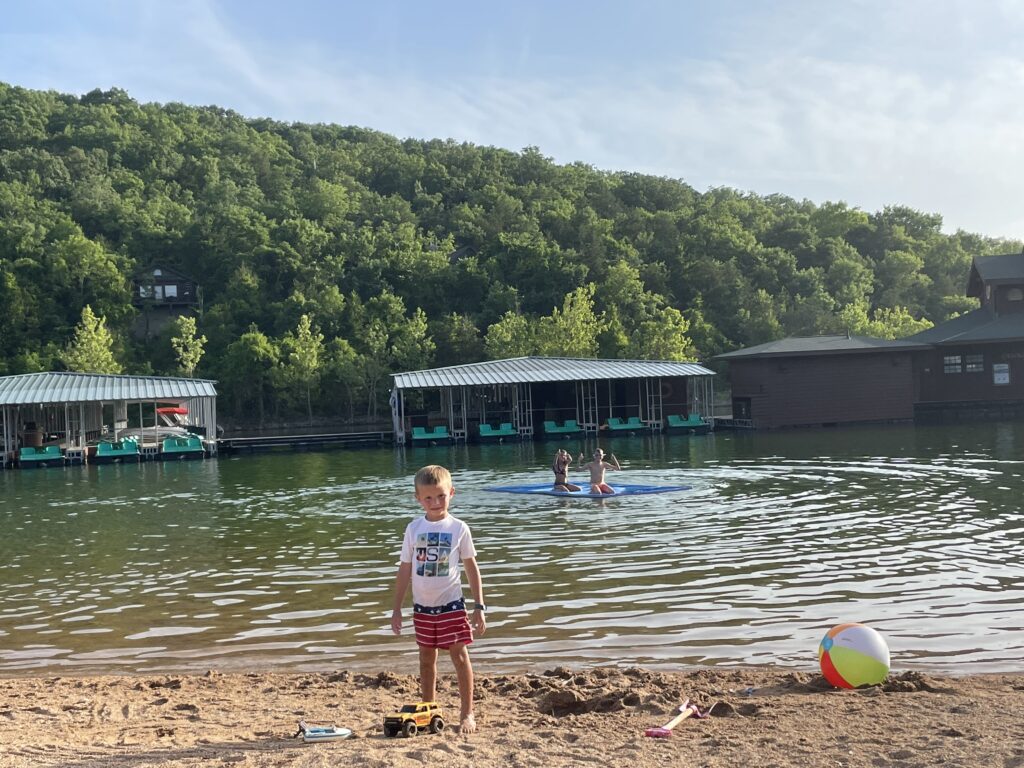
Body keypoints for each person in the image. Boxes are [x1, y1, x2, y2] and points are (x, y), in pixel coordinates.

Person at [391, 465, 486, 734]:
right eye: (428, 498)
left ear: (451, 493)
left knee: (459, 656)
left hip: (451, 605)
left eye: (441, 496)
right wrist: (396, 608)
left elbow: (471, 568)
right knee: (425, 659)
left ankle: (467, 713)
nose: (435, 503)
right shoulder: (413, 528)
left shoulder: (458, 528)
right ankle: (428, 709)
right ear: (418, 498)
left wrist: (479, 607)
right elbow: (405, 569)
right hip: (422, 607)